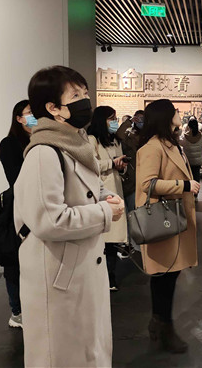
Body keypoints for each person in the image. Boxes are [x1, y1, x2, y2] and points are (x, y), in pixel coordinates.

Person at [14, 65, 125, 367]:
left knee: (87, 350)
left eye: (85, 93)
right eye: (75, 95)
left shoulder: (75, 144)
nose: (85, 101)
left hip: (79, 268)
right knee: (61, 354)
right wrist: (105, 212)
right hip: (60, 275)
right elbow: (49, 220)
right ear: (53, 108)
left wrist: (107, 197)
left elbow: (91, 187)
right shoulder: (44, 153)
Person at [136, 99, 200, 353]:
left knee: (170, 273)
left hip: (174, 217)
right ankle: (162, 325)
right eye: (174, 111)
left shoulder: (171, 143)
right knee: (164, 274)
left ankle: (161, 324)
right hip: (163, 218)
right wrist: (184, 186)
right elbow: (147, 184)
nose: (179, 114)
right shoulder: (153, 147)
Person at [0, 99, 37, 329]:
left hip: (40, 206)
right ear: (19, 118)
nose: (34, 116)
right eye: (30, 113)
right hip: (19, 206)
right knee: (15, 261)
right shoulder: (9, 144)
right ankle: (17, 311)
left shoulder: (42, 140)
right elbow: (14, 177)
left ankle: (33, 307)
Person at [87, 106, 129, 291]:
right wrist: (111, 163)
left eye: (115, 118)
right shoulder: (92, 139)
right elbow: (90, 164)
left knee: (112, 240)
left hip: (116, 189)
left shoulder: (115, 140)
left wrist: (121, 166)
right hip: (100, 193)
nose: (114, 122)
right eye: (111, 118)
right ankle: (101, 277)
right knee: (102, 238)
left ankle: (110, 276)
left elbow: (119, 166)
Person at [119, 110, 144, 214]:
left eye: (142, 119)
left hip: (142, 176)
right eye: (138, 118)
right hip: (130, 176)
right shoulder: (129, 134)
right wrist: (129, 121)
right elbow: (119, 135)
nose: (140, 121)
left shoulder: (148, 135)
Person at [179, 116, 202, 188]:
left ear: (188, 126)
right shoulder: (201, 136)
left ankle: (190, 191)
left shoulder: (185, 137)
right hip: (197, 161)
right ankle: (196, 191)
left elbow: (179, 142)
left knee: (188, 177)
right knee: (196, 176)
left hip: (188, 161)